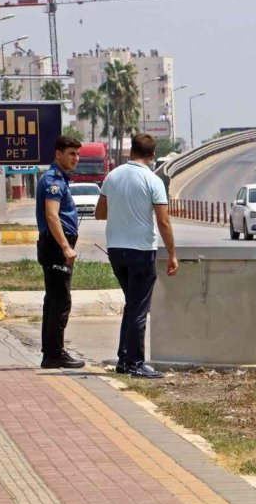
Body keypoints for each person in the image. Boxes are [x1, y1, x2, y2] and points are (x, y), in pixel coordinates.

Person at [95, 133, 178, 378]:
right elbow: (163, 221)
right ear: (152, 156)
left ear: (131, 151)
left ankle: (124, 359)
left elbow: (100, 213)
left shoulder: (113, 176)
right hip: (141, 251)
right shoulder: (153, 181)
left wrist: (123, 211)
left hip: (116, 251)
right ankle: (135, 363)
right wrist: (172, 254)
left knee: (132, 304)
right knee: (139, 309)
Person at [36, 136, 85, 368]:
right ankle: (55, 353)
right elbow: (52, 215)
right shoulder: (53, 180)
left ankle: (51, 352)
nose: (76, 158)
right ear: (58, 154)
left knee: (54, 299)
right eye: (71, 153)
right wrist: (65, 246)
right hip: (56, 247)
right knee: (61, 299)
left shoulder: (60, 179)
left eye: (77, 154)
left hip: (56, 245)